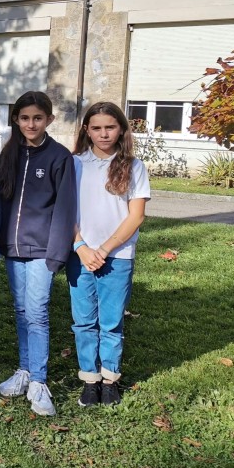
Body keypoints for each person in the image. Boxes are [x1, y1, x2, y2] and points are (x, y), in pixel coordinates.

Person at [0, 92, 76, 417]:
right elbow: (2, 201)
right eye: (25, 118)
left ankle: (40, 382)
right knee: (20, 308)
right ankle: (25, 370)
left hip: (43, 250)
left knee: (37, 311)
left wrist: (57, 253)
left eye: (37, 118)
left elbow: (65, 209)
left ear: (49, 120)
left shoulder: (59, 157)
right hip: (14, 249)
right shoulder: (9, 153)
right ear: (16, 119)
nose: (31, 123)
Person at [69, 102, 149, 408]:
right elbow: (64, 212)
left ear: (121, 129)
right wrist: (81, 246)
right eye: (97, 127)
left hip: (117, 256)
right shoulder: (74, 164)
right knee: (84, 321)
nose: (104, 134)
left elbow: (136, 216)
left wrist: (103, 249)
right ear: (86, 130)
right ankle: (90, 379)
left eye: (110, 127)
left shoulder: (134, 166)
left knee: (111, 321)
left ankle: (110, 378)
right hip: (80, 254)